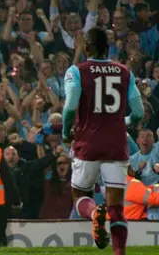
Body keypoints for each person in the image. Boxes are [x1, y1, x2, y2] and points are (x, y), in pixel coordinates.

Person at [62, 27, 145, 255]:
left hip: (87, 143)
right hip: (117, 145)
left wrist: (66, 132)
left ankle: (93, 213)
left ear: (87, 47)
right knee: (117, 207)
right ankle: (119, 252)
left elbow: (69, 107)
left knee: (80, 195)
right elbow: (138, 112)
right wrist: (123, 121)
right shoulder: (124, 72)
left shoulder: (77, 71)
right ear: (108, 48)